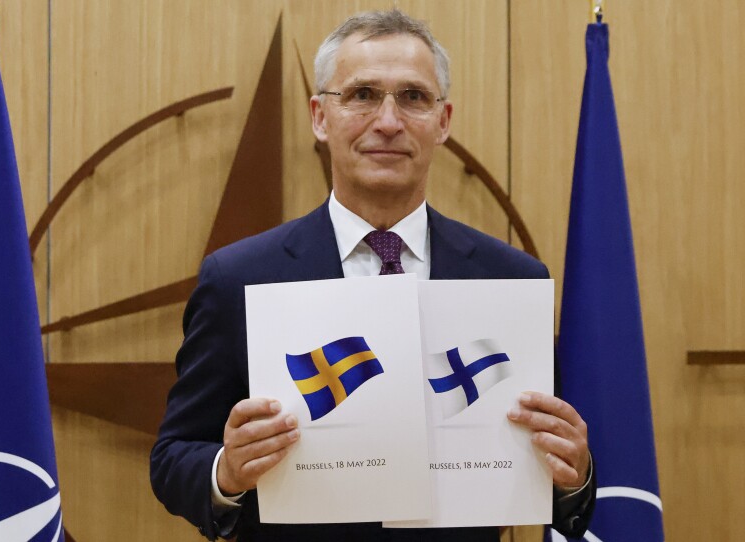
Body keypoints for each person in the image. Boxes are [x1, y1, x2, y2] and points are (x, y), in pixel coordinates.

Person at [151, 9, 594, 542]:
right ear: (319, 116)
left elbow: (557, 478)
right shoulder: (239, 279)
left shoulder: (513, 281)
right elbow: (174, 458)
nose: (388, 121)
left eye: (413, 97)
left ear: (443, 121)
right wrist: (226, 471)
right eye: (362, 95)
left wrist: (576, 472)